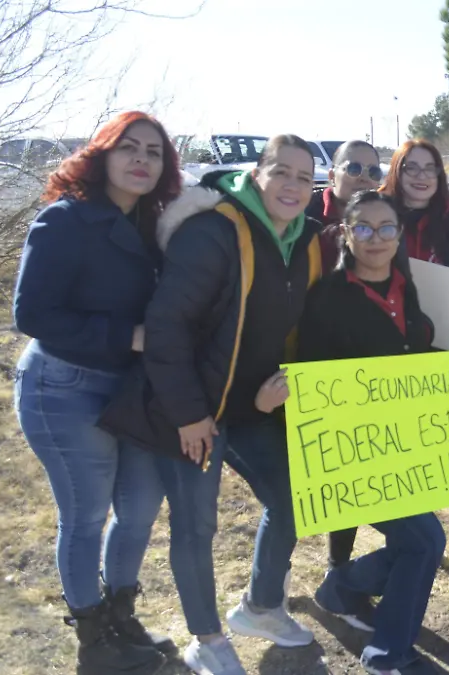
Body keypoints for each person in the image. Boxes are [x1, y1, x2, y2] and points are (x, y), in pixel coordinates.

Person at [101, 135, 324, 675]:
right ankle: (207, 638)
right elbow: (167, 327)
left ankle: (261, 607)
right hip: (192, 407)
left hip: (251, 407)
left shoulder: (306, 240)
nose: (292, 185)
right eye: (281, 172)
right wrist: (188, 414)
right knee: (197, 526)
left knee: (294, 500)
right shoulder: (213, 231)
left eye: (303, 176)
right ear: (256, 175)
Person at [13, 111, 181, 675]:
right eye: (128, 147)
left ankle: (121, 615)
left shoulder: (152, 224)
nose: (141, 159)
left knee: (138, 510)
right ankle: (94, 641)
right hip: (64, 384)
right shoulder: (65, 220)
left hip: (132, 389)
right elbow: (31, 313)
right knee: (85, 516)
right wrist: (124, 335)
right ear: (102, 154)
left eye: (153, 152)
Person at [297, 190, 449, 675]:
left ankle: (341, 589)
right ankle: (388, 654)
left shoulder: (408, 283)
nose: (377, 239)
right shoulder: (328, 297)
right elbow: (311, 376)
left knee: (414, 542)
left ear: (399, 234)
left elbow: (410, 352)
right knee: (425, 541)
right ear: (346, 235)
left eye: (387, 228)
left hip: (404, 444)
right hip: (352, 450)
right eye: (365, 228)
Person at [306, 140, 386, 272]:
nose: (364, 178)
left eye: (373, 172)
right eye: (354, 169)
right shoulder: (306, 215)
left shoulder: (387, 220)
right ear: (332, 176)